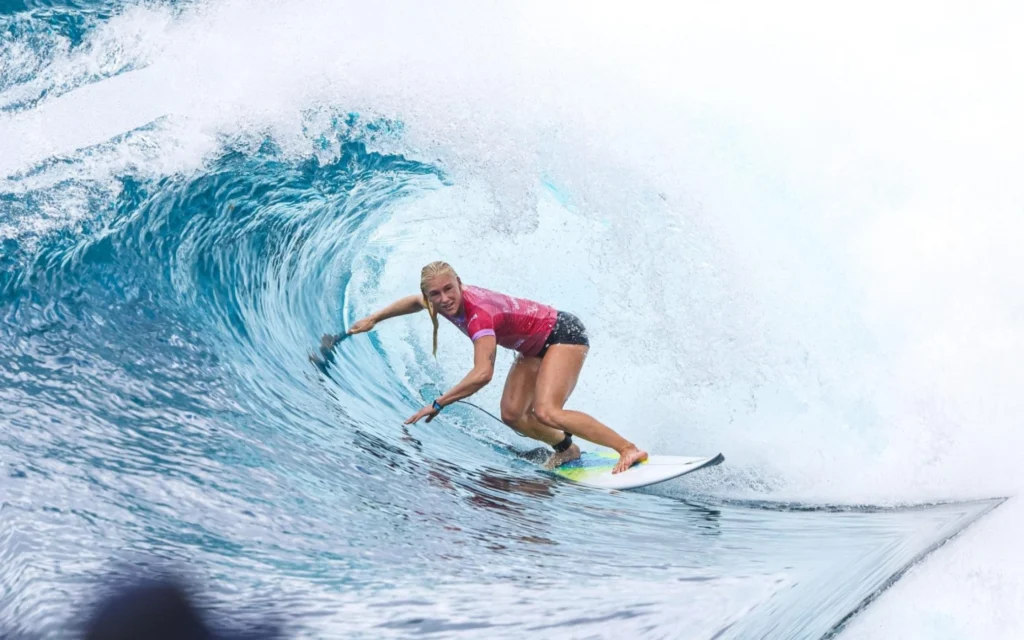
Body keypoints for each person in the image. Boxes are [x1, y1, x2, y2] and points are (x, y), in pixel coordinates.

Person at [338, 261, 647, 474]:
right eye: (436, 293)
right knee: (513, 414)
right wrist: (374, 318)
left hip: (562, 334)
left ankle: (627, 448)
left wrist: (438, 403)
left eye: (449, 289)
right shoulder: (435, 300)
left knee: (547, 411)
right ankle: (566, 449)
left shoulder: (479, 316)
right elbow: (414, 302)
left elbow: (482, 374)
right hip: (532, 348)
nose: (444, 299)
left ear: (459, 283)